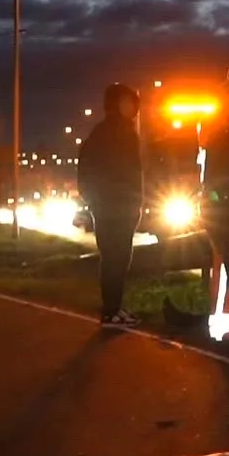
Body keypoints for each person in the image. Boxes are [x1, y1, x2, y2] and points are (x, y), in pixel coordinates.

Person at [77, 82, 144, 326]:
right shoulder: (114, 133)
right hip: (115, 206)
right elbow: (90, 170)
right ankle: (110, 311)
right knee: (115, 258)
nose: (132, 106)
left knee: (117, 258)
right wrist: (99, 199)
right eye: (128, 101)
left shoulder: (114, 132)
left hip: (115, 205)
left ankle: (114, 307)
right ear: (116, 104)